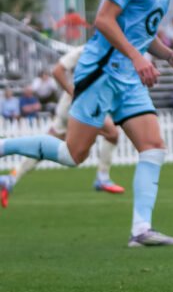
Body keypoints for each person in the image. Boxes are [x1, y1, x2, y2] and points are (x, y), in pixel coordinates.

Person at [0, 0, 173, 245]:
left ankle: (141, 230)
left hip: (128, 77)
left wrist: (169, 55)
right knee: (72, 155)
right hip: (102, 71)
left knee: (153, 147)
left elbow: (143, 32)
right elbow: (104, 20)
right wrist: (136, 57)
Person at [0, 44, 126, 208]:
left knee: (43, 147)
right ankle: (102, 177)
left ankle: (11, 178)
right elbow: (58, 70)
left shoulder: (112, 52)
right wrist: (76, 94)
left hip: (74, 107)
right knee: (111, 134)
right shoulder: (87, 49)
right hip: (75, 107)